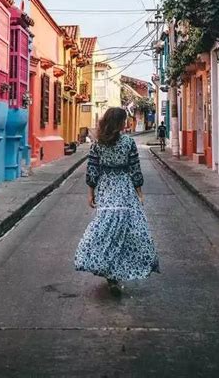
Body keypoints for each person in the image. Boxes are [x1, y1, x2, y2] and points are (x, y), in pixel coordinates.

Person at [74, 107, 159, 296]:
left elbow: (92, 169)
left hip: (105, 188)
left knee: (106, 227)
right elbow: (135, 168)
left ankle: (108, 269)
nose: (126, 122)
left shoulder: (98, 144)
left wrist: (91, 192)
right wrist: (139, 191)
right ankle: (117, 270)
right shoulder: (128, 143)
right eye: (124, 120)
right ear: (119, 123)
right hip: (125, 188)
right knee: (126, 230)